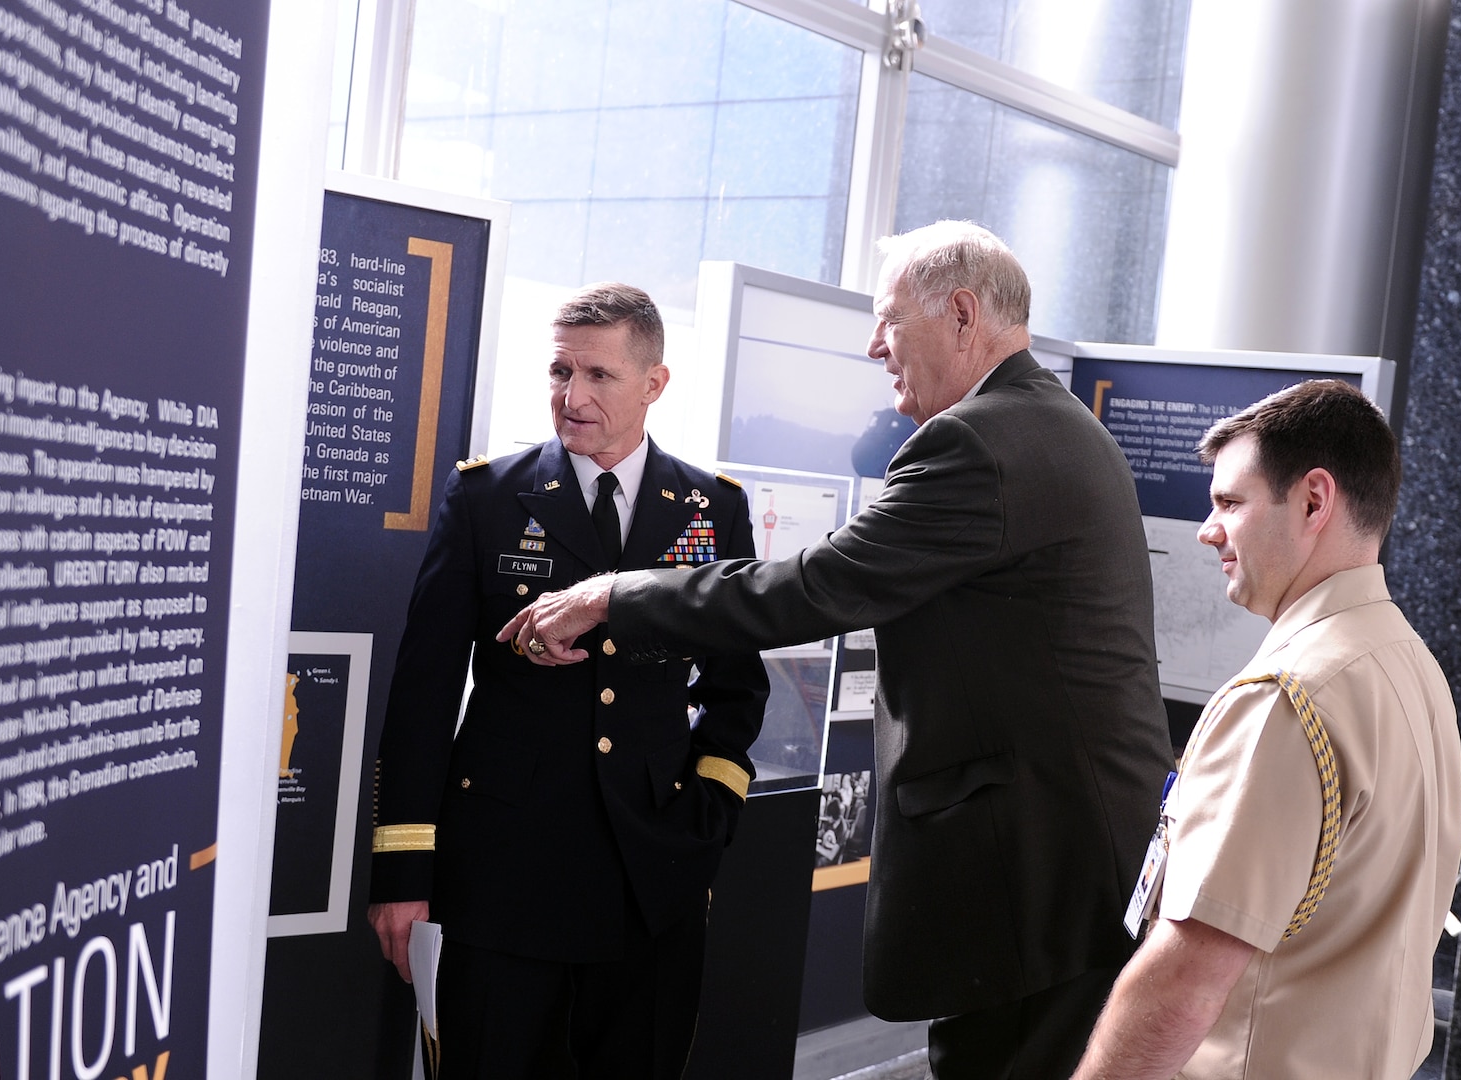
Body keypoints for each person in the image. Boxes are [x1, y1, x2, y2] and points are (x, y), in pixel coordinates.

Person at [501, 221, 1175, 1078]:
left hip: (1035, 866)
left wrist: (612, 594)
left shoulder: (981, 440)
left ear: (962, 313)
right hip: (1070, 849)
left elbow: (820, 585)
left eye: (888, 319)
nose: (872, 345)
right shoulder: (1050, 424)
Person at [366, 283, 769, 1079]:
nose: (571, 397)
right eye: (559, 372)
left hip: (650, 879)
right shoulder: (487, 496)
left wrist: (709, 813)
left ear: (654, 383)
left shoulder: (710, 509)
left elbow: (737, 690)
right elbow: (421, 696)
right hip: (504, 875)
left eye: (598, 376)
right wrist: (403, 872)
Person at [1070, 380, 1461, 1080]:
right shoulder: (1407, 660)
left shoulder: (1284, 699)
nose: (1206, 528)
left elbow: (1185, 978)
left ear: (1313, 500)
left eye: (1229, 502)